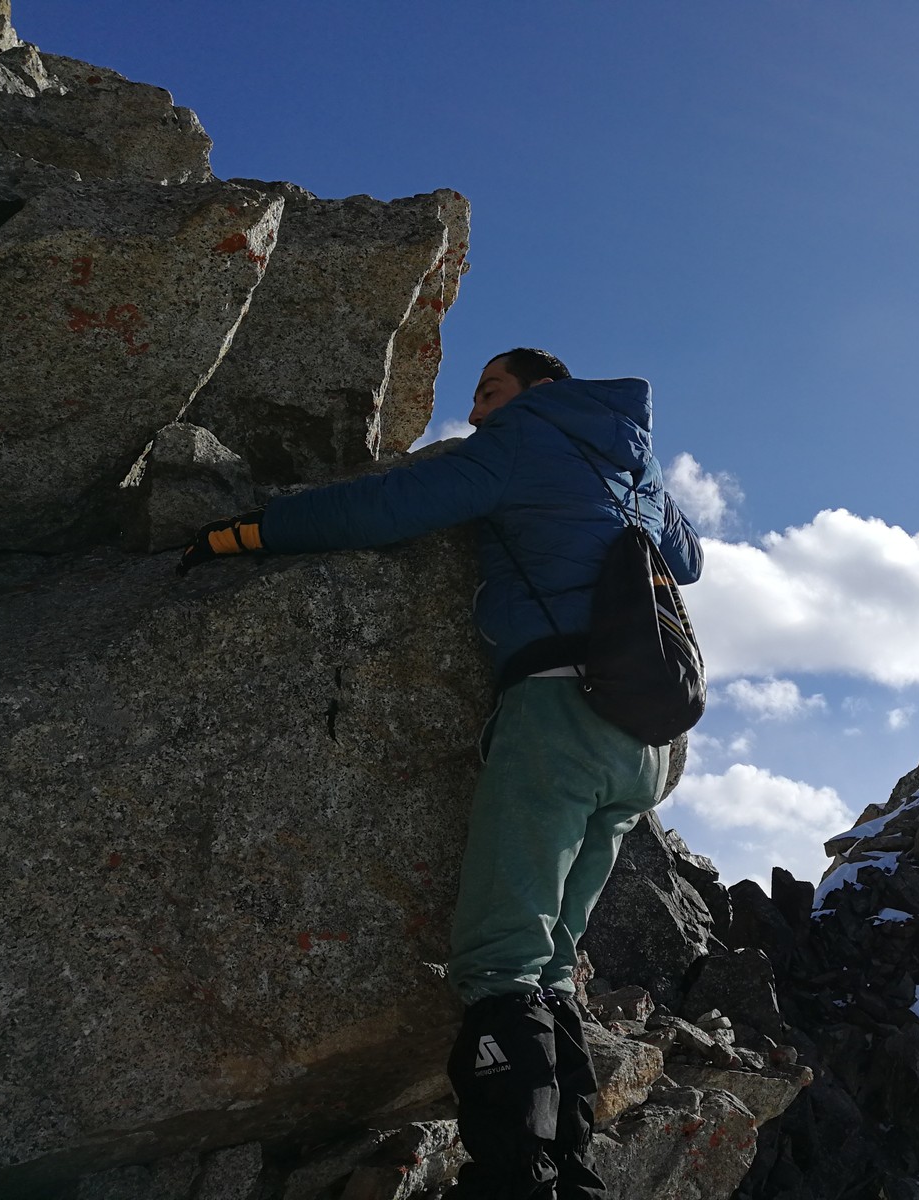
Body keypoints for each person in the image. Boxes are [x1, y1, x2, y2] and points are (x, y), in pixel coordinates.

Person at [178, 348, 704, 1199]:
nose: (478, 410)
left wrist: (247, 531)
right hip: (644, 745)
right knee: (554, 961)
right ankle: (569, 1171)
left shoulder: (519, 443)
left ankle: (513, 1178)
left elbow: (389, 506)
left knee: (502, 958)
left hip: (558, 715)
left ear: (541, 393)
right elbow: (688, 560)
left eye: (490, 391)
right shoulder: (631, 463)